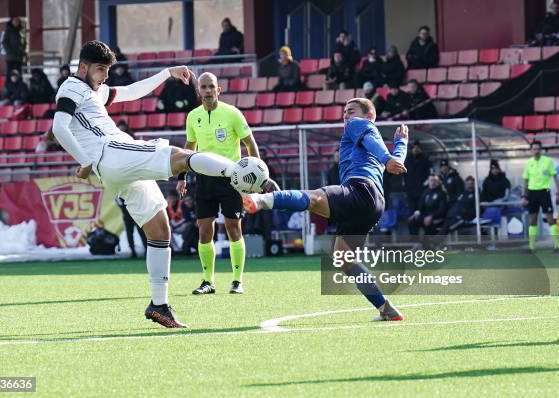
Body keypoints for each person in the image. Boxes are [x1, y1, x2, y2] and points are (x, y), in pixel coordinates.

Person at [52, 40, 246, 328]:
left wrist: (167, 72)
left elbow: (131, 92)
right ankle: (240, 173)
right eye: (100, 69)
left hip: (114, 166)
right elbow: (58, 127)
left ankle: (159, 305)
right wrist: (85, 161)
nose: (105, 75)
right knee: (180, 157)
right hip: (112, 152)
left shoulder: (94, 91)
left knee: (159, 228)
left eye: (107, 69)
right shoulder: (71, 87)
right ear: (83, 67)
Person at [243, 98, 409, 322]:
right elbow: (396, 161)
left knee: (313, 198)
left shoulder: (359, 125)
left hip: (361, 189)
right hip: (372, 205)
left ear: (370, 116)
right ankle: (386, 308)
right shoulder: (369, 139)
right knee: (343, 258)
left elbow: (377, 147)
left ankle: (261, 200)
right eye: (344, 112)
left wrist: (387, 157)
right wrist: (400, 145)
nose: (346, 116)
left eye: (351, 111)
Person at [178, 72, 261, 295]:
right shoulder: (193, 116)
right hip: (203, 180)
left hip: (231, 180)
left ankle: (237, 281)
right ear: (199, 91)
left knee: (234, 227)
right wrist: (182, 176)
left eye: (211, 87)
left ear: (218, 90)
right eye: (203, 87)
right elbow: (189, 148)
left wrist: (255, 175)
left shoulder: (232, 114)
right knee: (204, 229)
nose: (207, 91)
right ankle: (208, 281)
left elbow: (250, 144)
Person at [521, 141, 559, 252]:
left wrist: (558, 193)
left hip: (544, 192)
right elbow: (525, 180)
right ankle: (531, 246)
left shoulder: (547, 161)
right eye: (534, 149)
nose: (536, 151)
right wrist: (524, 195)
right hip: (532, 193)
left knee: (550, 219)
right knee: (533, 220)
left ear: (541, 150)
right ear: (531, 150)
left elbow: (556, 178)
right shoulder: (528, 163)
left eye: (538, 149)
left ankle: (557, 245)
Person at [404, 141, 432, 214]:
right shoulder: (407, 160)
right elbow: (404, 174)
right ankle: (411, 223)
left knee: (421, 207)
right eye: (414, 148)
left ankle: (420, 223)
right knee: (411, 208)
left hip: (421, 188)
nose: (416, 149)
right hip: (410, 188)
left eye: (417, 147)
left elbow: (429, 173)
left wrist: (425, 184)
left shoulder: (425, 160)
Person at [3, 17, 26, 81]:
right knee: (10, 74)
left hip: (19, 57)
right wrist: (10, 52)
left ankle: (19, 87)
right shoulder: (8, 31)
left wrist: (23, 51)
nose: (16, 23)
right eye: (15, 21)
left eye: (18, 22)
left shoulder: (21, 31)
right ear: (12, 22)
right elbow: (4, 42)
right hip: (11, 58)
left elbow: (24, 42)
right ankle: (9, 88)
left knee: (19, 73)